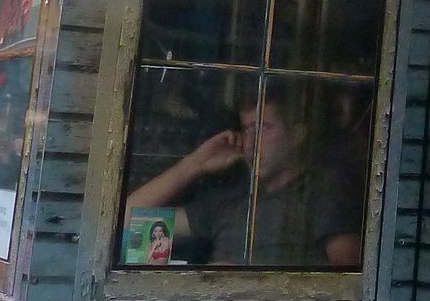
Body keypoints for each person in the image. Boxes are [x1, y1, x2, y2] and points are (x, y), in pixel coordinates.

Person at [125, 83, 362, 267]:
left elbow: (347, 280)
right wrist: (195, 164)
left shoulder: (323, 192)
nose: (251, 142)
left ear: (296, 135)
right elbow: (127, 221)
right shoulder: (231, 197)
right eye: (247, 129)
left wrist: (242, 282)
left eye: (264, 128)